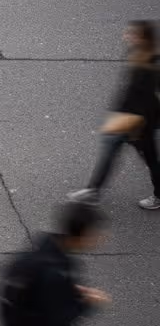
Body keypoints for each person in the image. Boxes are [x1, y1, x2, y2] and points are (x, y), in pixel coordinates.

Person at [67, 21, 160, 206]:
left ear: (142, 38)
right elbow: (130, 92)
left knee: (148, 158)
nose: (126, 36)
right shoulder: (137, 54)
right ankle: (93, 190)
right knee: (124, 152)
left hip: (139, 122)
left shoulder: (151, 65)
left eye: (132, 34)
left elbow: (147, 100)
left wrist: (134, 126)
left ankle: (94, 191)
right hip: (129, 118)